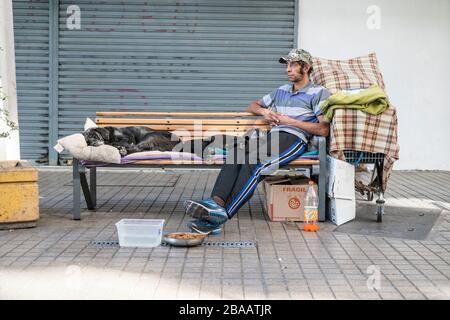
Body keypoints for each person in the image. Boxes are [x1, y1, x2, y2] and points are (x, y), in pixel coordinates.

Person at [184, 48, 331, 234]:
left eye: (293, 65)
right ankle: (216, 203)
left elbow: (323, 129)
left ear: (306, 67)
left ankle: (220, 218)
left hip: (294, 138)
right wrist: (265, 112)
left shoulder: (319, 93)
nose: (288, 69)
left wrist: (289, 121)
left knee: (254, 163)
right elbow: (253, 105)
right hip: (272, 136)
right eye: (287, 65)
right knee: (236, 153)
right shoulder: (281, 91)